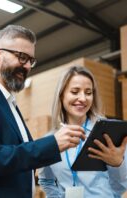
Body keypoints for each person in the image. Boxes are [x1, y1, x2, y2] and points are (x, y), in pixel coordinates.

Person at [0, 25, 85, 198]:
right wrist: (52, 144)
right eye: (21, 57)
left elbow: (19, 160)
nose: (27, 66)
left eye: (31, 60)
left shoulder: (10, 104)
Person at [38, 66, 127, 198]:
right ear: (61, 95)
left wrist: (118, 164)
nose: (83, 98)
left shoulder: (106, 132)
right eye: (75, 92)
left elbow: (120, 184)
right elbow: (46, 180)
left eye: (88, 92)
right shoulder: (51, 139)